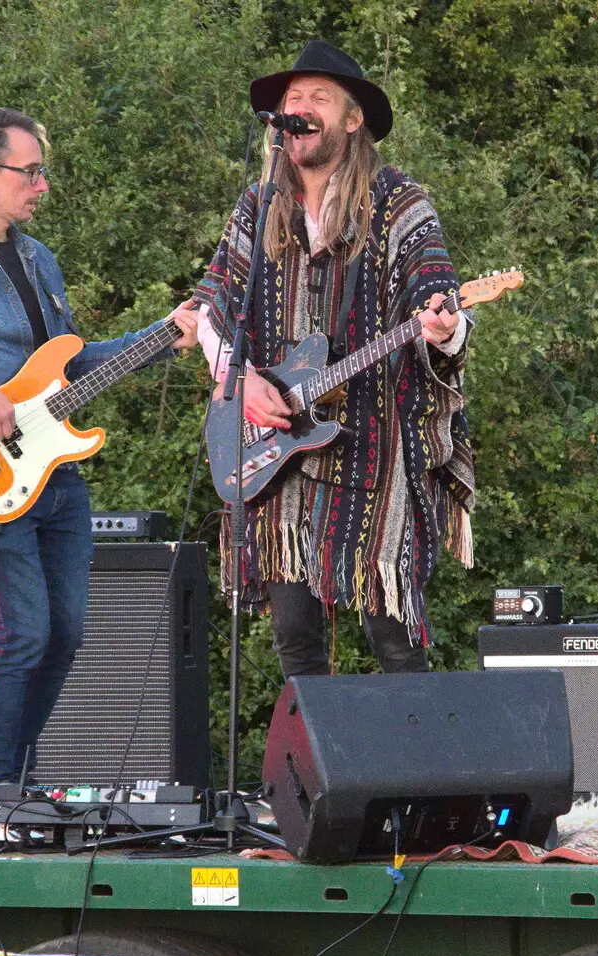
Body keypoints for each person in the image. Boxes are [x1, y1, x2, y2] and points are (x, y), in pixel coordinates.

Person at [0, 108, 198, 800]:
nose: (42, 185)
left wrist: (163, 335)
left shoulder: (37, 259)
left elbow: (74, 367)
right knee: (23, 632)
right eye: (30, 171)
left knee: (66, 634)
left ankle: (17, 774)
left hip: (57, 476)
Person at [191, 40, 474, 677]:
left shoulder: (399, 203)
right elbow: (210, 308)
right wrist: (240, 380)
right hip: (276, 439)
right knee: (294, 635)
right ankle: (314, 777)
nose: (302, 108)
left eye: (319, 97)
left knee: (392, 633)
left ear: (352, 119)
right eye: (293, 99)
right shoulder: (259, 205)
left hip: (376, 444)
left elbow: (439, 288)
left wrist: (444, 326)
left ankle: (414, 773)